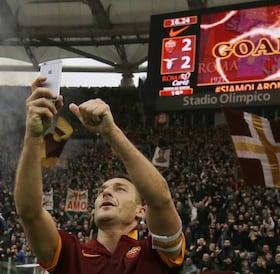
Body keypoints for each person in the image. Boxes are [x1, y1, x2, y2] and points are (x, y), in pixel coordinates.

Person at [14, 76, 185, 273]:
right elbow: (30, 212)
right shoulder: (70, 254)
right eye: (101, 191)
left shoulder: (158, 253)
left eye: (120, 189)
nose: (106, 193)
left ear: (141, 211)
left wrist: (111, 132)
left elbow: (161, 200)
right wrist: (33, 136)